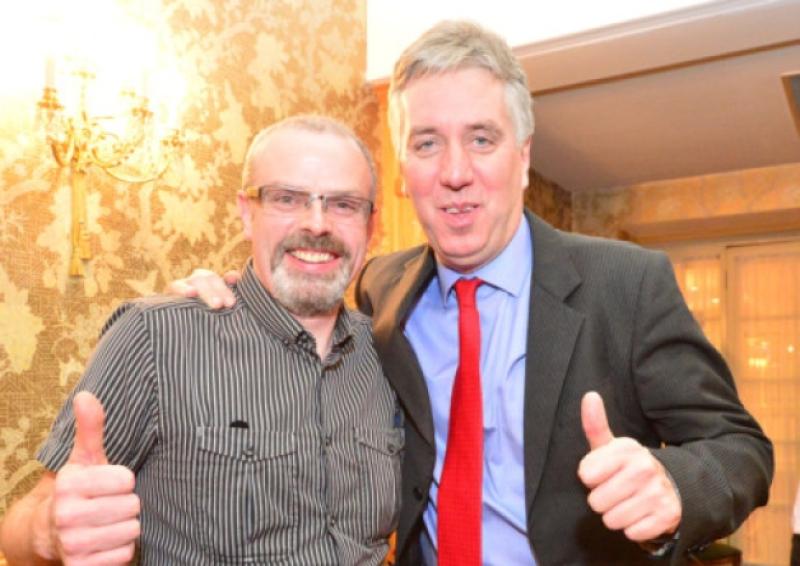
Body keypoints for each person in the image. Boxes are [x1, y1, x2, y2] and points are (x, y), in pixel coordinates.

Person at [167, 21, 773, 565]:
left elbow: (740, 447)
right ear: (403, 171)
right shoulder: (380, 287)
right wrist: (237, 297)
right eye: (427, 142)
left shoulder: (627, 284)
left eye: (481, 138)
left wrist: (674, 484)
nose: (455, 171)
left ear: (524, 157)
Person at [0, 115, 402, 565]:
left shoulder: (388, 350)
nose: (317, 223)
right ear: (247, 213)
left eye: (344, 204)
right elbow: (23, 524)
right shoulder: (155, 338)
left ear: (371, 223)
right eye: (286, 198)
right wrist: (48, 534)